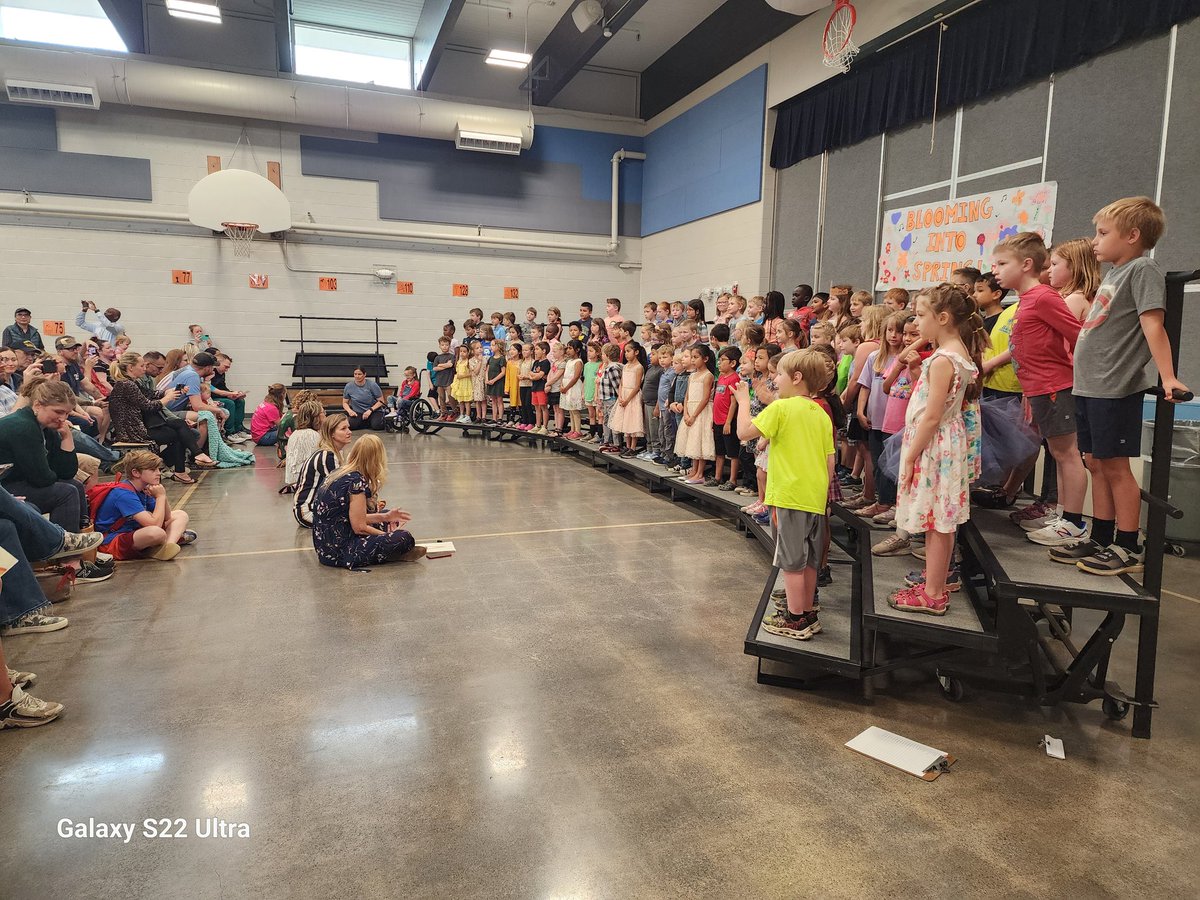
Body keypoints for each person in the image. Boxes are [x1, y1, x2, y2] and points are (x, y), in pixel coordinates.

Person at [1058, 197, 1188, 575]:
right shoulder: (1112, 275)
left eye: (1102, 233)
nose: (1094, 241)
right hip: (1091, 386)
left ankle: (1128, 545)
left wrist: (1168, 377)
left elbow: (1152, 325)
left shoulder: (1142, 269)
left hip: (1115, 387)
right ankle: (1101, 536)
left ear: (1132, 236)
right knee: (1095, 462)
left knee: (1115, 468)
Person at [888, 284, 986, 615]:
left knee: (938, 522)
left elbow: (931, 417)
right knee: (937, 519)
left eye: (919, 315)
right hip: (944, 441)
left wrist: (912, 455)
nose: (915, 324)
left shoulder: (943, 360)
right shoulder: (956, 351)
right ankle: (935, 582)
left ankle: (933, 593)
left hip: (934, 446)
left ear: (942, 318)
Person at [995, 232, 1089, 547]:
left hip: (1055, 387)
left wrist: (1068, 376)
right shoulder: (1027, 300)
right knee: (1059, 453)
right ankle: (1064, 515)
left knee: (1066, 453)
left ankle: (1073, 522)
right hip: (1039, 388)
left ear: (1026, 264)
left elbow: (1077, 335)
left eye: (1002, 263)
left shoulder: (1045, 297)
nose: (996, 270)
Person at [735, 350, 835, 640]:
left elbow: (744, 432)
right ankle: (807, 611)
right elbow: (830, 460)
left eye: (779, 374)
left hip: (788, 496)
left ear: (797, 378)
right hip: (815, 498)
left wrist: (743, 402)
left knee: (791, 560)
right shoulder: (820, 412)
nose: (775, 379)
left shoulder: (781, 408)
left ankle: (795, 619)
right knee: (811, 559)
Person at [311, 434, 426, 569]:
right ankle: (393, 553)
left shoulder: (339, 472)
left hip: (326, 545)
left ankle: (388, 547)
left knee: (386, 516)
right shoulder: (356, 482)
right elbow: (359, 527)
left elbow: (352, 516)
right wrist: (387, 535)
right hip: (340, 551)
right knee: (404, 538)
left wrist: (385, 517)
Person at [107, 352, 214, 482]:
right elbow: (148, 406)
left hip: (141, 424)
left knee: (180, 424)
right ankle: (181, 466)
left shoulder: (131, 383)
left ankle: (193, 458)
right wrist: (167, 398)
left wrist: (170, 391)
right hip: (132, 430)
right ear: (130, 367)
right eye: (141, 366)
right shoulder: (126, 385)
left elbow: (151, 394)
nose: (144, 368)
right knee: (180, 434)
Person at [0, 380, 87, 532]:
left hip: (17, 481)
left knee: (76, 485)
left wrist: (67, 438)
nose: (63, 418)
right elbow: (42, 479)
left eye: (67, 413)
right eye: (58, 412)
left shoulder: (46, 426)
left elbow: (67, 473)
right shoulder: (23, 426)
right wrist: (51, 472)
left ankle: (83, 540)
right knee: (66, 492)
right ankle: (64, 550)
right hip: (5, 487)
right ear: (37, 405)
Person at [92, 450, 194, 562]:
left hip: (132, 531)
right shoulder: (124, 494)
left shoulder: (143, 488)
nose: (159, 473)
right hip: (111, 541)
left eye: (158, 469)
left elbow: (167, 517)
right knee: (156, 533)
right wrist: (160, 497)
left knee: (180, 515)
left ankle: (168, 546)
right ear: (136, 473)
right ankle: (162, 544)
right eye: (153, 470)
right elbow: (154, 524)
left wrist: (162, 496)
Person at [294, 414, 351, 527]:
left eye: (348, 428)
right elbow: (338, 490)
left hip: (316, 507)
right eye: (343, 429)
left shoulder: (334, 453)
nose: (349, 432)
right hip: (307, 512)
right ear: (332, 434)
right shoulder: (327, 456)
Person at [675, 345, 716, 484]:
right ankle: (693, 471)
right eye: (691, 357)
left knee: (700, 441)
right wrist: (686, 413)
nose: (693, 360)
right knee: (692, 441)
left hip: (701, 412)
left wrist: (694, 415)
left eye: (696, 357)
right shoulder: (691, 376)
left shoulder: (708, 375)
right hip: (691, 410)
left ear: (705, 359)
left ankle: (700, 473)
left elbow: (705, 398)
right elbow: (686, 396)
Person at [710, 346, 742, 489]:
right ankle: (717, 477)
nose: (719, 363)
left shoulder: (734, 378)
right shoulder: (722, 377)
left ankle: (733, 479)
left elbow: (733, 402)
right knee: (719, 451)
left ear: (733, 363)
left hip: (728, 421)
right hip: (717, 420)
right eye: (719, 360)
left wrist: (728, 422)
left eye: (723, 360)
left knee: (732, 452)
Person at [611, 341, 645, 458]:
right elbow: (621, 383)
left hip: (632, 396)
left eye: (628, 351)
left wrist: (627, 399)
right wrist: (620, 396)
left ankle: (633, 447)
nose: (626, 354)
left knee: (632, 421)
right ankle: (627, 445)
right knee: (625, 420)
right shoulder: (625, 366)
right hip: (624, 395)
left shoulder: (638, 367)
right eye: (625, 351)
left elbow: (636, 386)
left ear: (636, 352)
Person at [282, 401, 324, 491]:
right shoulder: (312, 435)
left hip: (293, 479)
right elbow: (318, 461)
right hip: (303, 481)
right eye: (323, 413)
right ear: (316, 417)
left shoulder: (296, 432)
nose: (325, 415)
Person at [211, 353, 250, 441]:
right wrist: (228, 394)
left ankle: (238, 429)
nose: (227, 370)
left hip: (219, 395)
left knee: (240, 401)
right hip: (211, 397)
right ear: (218, 363)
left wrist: (234, 394)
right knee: (229, 403)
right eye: (226, 367)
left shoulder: (221, 373)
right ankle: (229, 432)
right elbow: (210, 390)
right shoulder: (210, 372)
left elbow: (223, 387)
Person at [342, 367, 385, 431]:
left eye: (359, 374)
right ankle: (366, 422)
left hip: (373, 411)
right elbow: (345, 402)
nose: (357, 376)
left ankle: (373, 420)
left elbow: (381, 401)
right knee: (351, 426)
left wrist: (370, 410)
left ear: (364, 375)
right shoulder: (349, 386)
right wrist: (350, 411)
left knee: (377, 426)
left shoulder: (372, 385)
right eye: (355, 374)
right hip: (358, 412)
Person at [559, 339, 585, 439]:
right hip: (566, 385)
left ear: (577, 349)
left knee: (574, 410)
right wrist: (562, 385)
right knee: (570, 409)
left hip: (573, 387)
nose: (568, 350)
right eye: (567, 348)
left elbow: (576, 377)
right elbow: (565, 374)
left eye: (570, 348)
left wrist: (566, 387)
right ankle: (572, 429)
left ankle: (578, 430)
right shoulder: (569, 361)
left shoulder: (578, 362)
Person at [450, 345, 473, 424]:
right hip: (460, 383)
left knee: (466, 400)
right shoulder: (459, 361)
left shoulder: (468, 362)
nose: (462, 353)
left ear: (468, 352)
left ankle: (467, 416)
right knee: (461, 400)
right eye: (461, 351)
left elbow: (471, 373)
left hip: (466, 382)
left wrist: (462, 376)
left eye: (464, 352)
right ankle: (462, 414)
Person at [485, 340, 507, 423]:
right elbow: (487, 370)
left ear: (498, 347)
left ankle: (500, 417)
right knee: (493, 400)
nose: (491, 347)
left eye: (493, 345)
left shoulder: (501, 359)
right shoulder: (491, 358)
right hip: (491, 381)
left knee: (499, 400)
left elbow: (503, 372)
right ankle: (494, 418)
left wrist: (494, 380)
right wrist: (487, 379)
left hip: (498, 382)